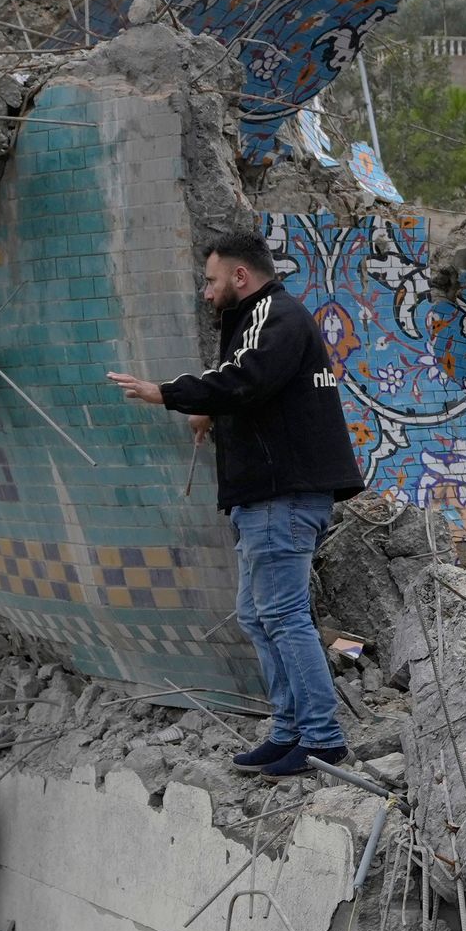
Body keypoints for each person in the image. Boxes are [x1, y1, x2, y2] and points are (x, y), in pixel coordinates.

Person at [106, 232, 367, 776]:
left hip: (282, 497)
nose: (206, 293)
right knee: (257, 613)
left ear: (240, 276)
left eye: (211, 279)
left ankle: (321, 736)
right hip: (268, 498)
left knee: (284, 615)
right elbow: (257, 392)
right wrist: (212, 411)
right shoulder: (266, 319)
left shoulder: (276, 316)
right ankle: (290, 730)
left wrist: (169, 392)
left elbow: (244, 380)